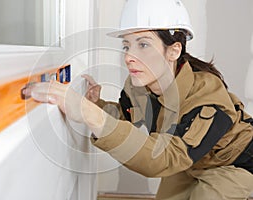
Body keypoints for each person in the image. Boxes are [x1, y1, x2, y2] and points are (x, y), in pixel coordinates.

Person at [31, 0, 253, 199]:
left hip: (234, 164)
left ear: (173, 51)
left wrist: (89, 114)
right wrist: (95, 104)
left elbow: (166, 156)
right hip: (191, 160)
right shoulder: (139, 85)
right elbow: (125, 116)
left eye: (143, 44)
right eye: (127, 45)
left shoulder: (207, 96)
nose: (129, 56)